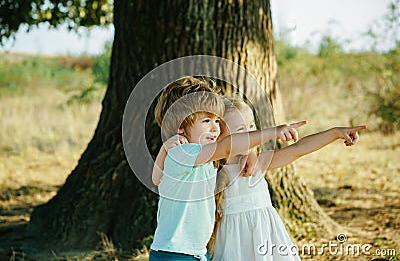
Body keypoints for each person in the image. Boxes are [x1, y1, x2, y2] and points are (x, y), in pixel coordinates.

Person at [149, 76, 304, 261]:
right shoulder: (183, 152)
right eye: (206, 121)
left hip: (196, 252)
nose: (215, 128)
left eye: (217, 121)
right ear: (181, 126)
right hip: (174, 252)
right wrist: (273, 132)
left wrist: (164, 149)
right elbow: (228, 146)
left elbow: (157, 180)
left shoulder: (202, 158)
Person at [208, 96, 367, 261]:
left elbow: (298, 149)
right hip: (232, 243)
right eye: (242, 130)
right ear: (219, 136)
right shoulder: (213, 171)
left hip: (266, 239)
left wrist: (335, 133)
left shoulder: (259, 162)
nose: (252, 135)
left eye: (252, 127)